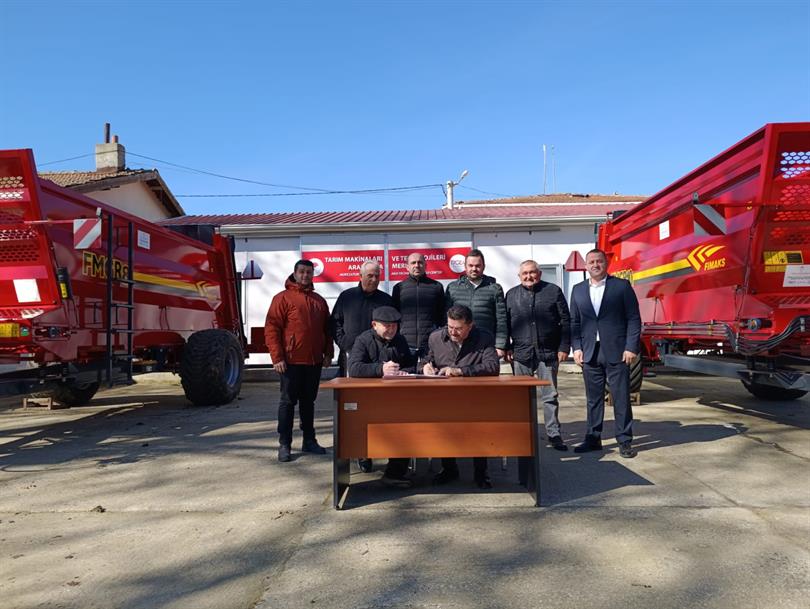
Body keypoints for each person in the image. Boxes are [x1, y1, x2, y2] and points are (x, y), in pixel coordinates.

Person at [570, 248, 641, 458]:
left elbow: (634, 318)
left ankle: (625, 441)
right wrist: (577, 348)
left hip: (618, 351)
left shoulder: (621, 287)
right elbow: (574, 322)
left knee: (621, 398)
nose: (595, 265)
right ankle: (593, 438)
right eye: (591, 262)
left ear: (606, 263)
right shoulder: (578, 290)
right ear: (586, 265)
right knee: (593, 399)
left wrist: (631, 347)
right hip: (590, 352)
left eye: (599, 261)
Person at [423, 304, 500, 489]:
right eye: (450, 327)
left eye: (458, 328)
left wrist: (460, 371)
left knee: (478, 431)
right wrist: (425, 366)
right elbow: (429, 359)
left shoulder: (484, 337)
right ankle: (449, 469)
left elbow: (492, 367)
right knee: (444, 430)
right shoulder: (436, 337)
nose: (453, 332)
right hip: (443, 397)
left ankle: (481, 472)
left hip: (474, 397)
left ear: (470, 325)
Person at [264, 259, 333, 462]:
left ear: (313, 275)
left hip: (313, 362)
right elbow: (272, 329)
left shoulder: (319, 301)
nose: (305, 275)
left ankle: (309, 440)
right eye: (302, 272)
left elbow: (326, 330)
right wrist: (277, 357)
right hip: (290, 361)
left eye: (309, 272)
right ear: (294, 273)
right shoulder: (282, 299)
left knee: (308, 402)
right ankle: (284, 444)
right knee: (287, 402)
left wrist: (328, 353)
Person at [331, 259, 393, 472]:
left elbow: (394, 326)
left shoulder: (386, 300)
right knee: (353, 409)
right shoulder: (346, 297)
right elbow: (335, 323)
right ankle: (359, 452)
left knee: (378, 408)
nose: (374, 279)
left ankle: (379, 448)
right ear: (360, 276)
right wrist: (344, 343)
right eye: (370, 275)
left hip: (379, 363)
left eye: (377, 276)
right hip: (351, 360)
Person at [505, 260, 571, 456]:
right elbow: (505, 324)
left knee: (550, 396)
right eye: (524, 273)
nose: (528, 276)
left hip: (548, 352)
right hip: (521, 354)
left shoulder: (553, 292)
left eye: (532, 272)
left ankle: (554, 433)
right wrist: (507, 347)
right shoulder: (511, 295)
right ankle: (523, 432)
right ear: (519, 276)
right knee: (521, 398)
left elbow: (565, 321)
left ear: (539, 274)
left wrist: (564, 346)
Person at [348, 305, 417, 488]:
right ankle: (364, 455)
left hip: (396, 398)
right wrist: (380, 369)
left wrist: (403, 372)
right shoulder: (363, 340)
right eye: (386, 325)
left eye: (394, 325)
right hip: (368, 398)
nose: (391, 329)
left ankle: (394, 472)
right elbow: (354, 368)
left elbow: (411, 365)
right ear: (374, 325)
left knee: (406, 427)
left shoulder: (399, 340)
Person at [444, 249, 508, 358]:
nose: (474, 269)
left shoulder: (494, 288)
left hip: (486, 344)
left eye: (478, 265)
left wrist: (500, 346)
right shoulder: (452, 288)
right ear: (465, 266)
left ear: (484, 266)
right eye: (471, 265)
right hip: (458, 345)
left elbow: (501, 319)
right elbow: (445, 318)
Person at [391, 252, 445, 359]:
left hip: (429, 345)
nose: (417, 265)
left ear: (425, 265)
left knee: (428, 374)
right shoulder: (399, 288)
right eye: (413, 263)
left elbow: (441, 315)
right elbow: (395, 316)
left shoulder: (436, 287)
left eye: (420, 262)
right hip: (405, 344)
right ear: (407, 267)